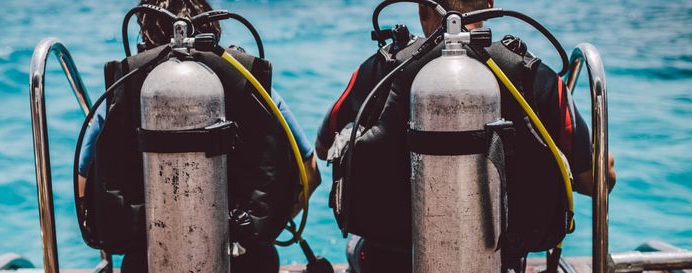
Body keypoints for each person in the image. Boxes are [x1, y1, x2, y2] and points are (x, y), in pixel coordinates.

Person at [315, 0, 616, 272]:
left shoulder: (382, 69)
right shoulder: (533, 76)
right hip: (501, 263)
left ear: (421, 8)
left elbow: (324, 148)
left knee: (356, 248)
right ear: (490, 4)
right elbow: (596, 181)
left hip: (387, 262)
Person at [77, 0, 320, 272]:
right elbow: (310, 174)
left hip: (149, 261)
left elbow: (84, 189)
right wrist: (257, 228)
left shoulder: (125, 89)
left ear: (145, 37)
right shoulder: (250, 83)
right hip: (247, 261)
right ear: (212, 31)